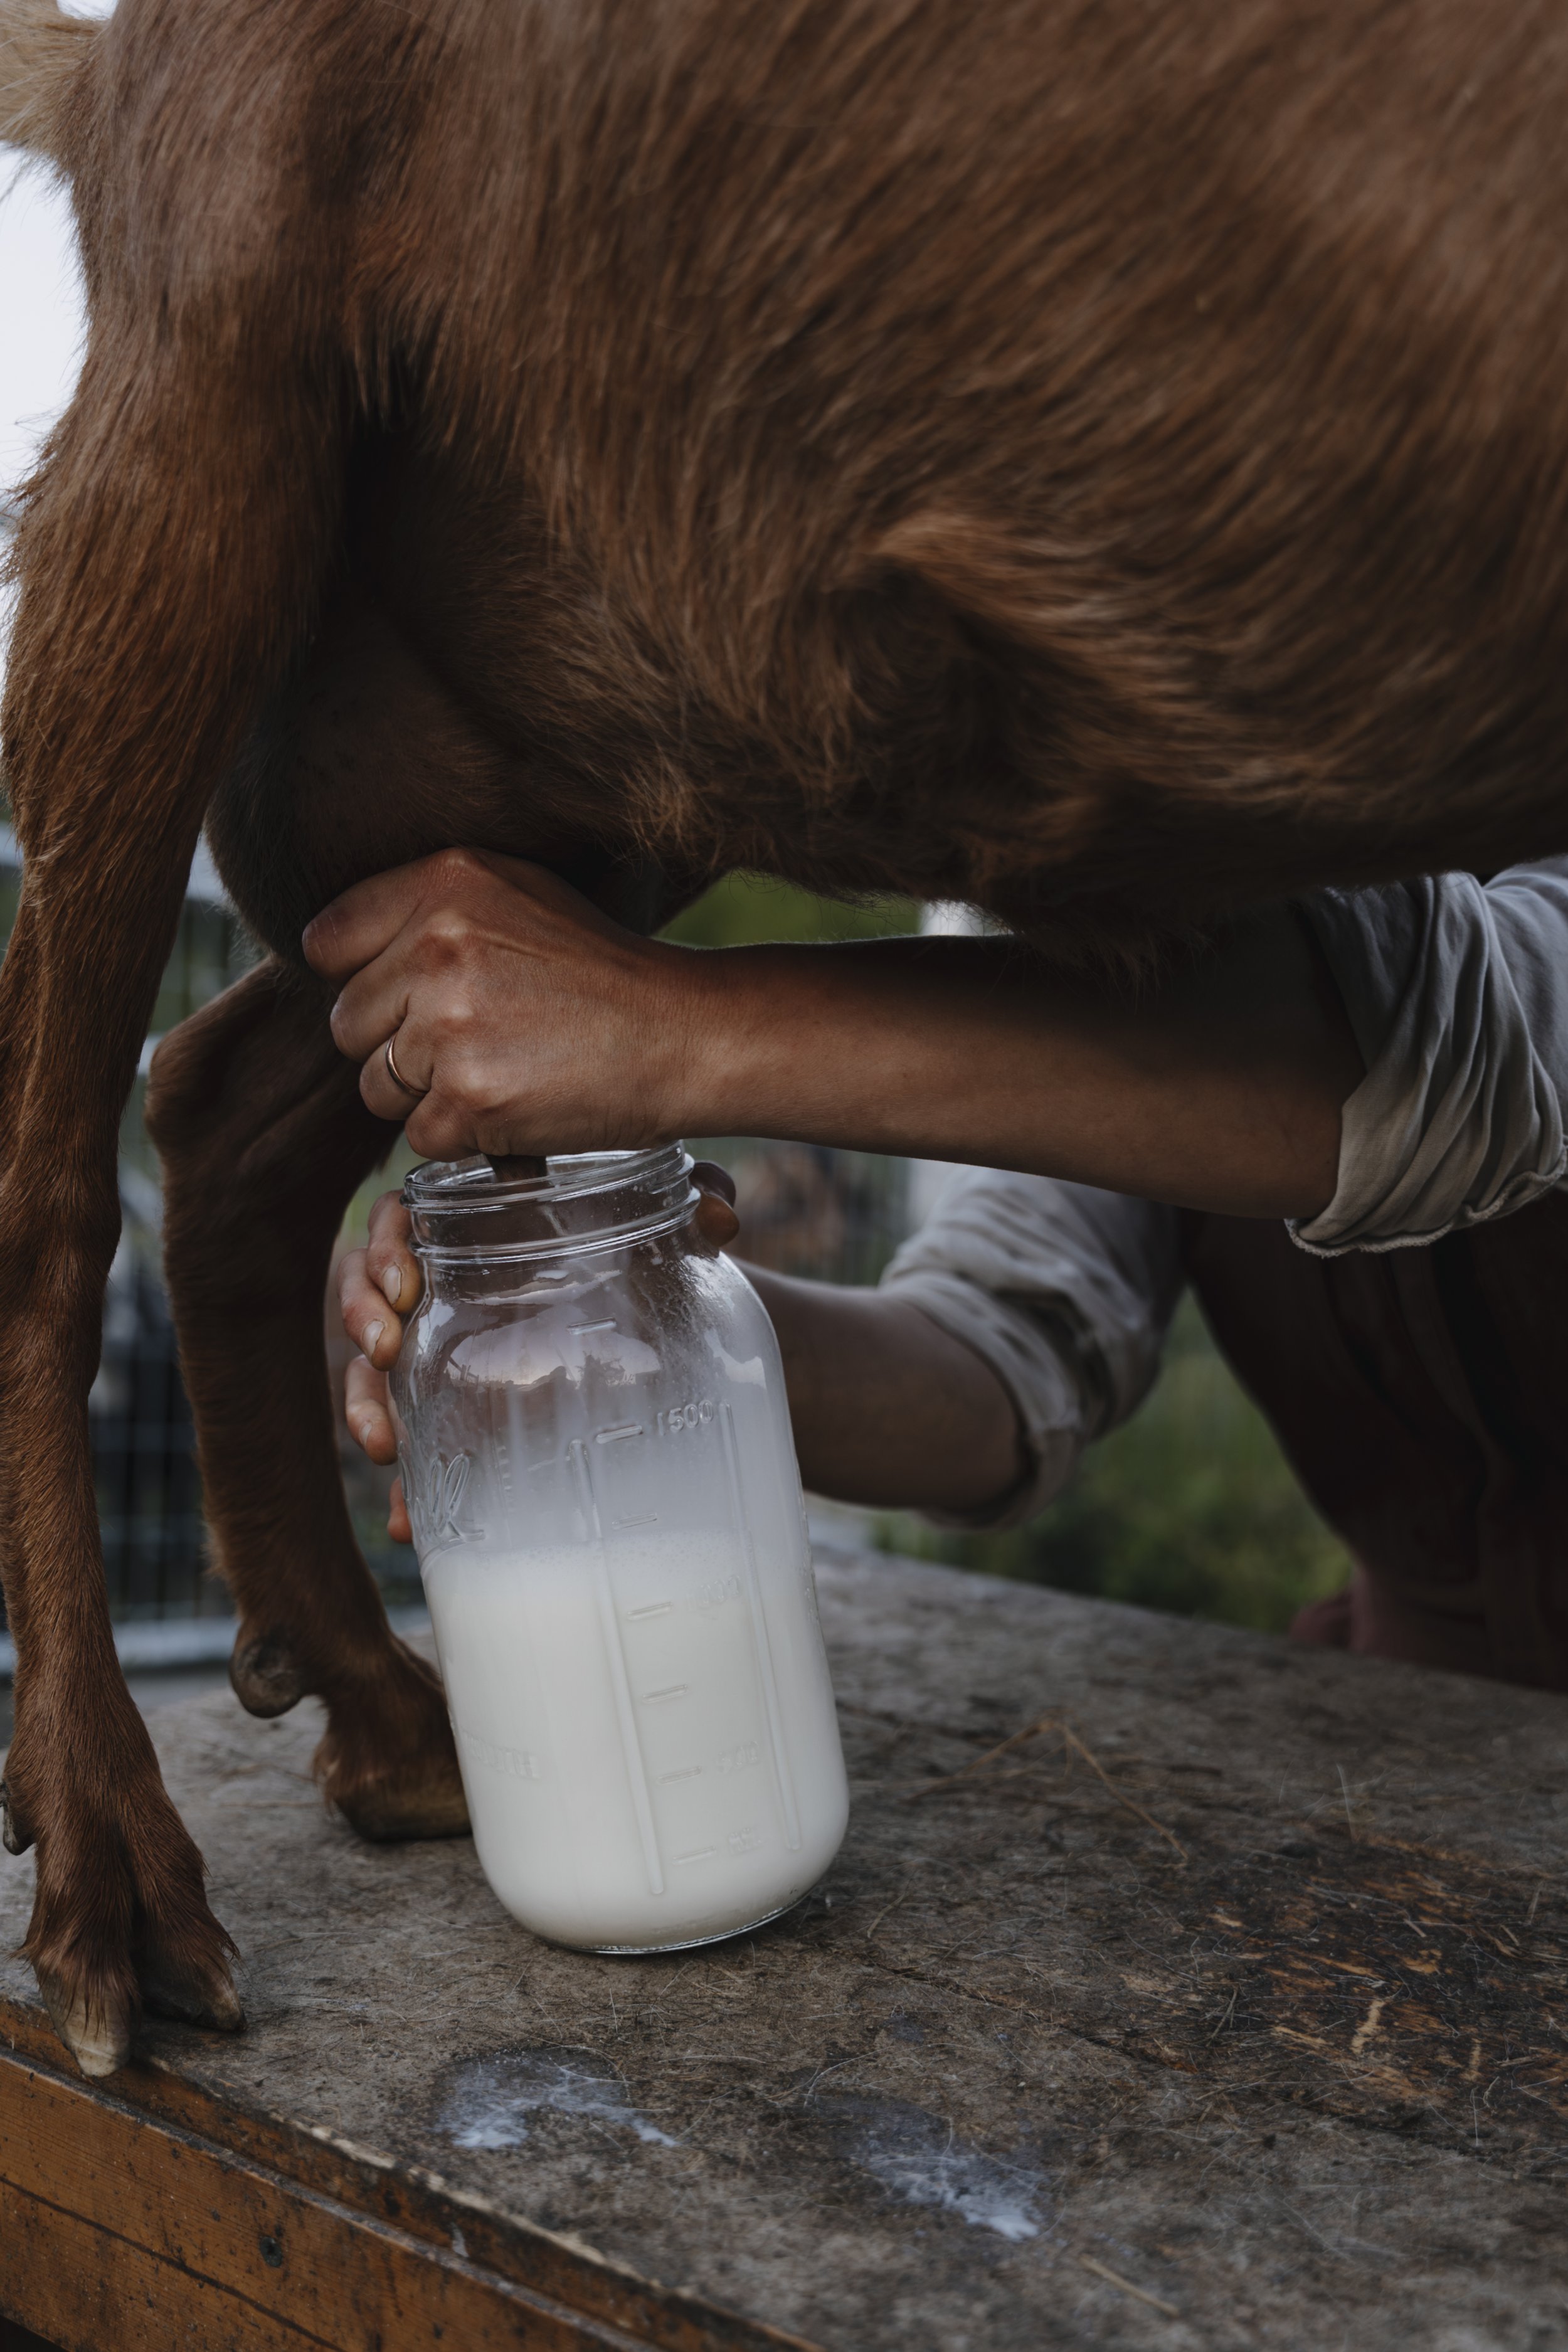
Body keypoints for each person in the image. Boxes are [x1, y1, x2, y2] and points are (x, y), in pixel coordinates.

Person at [309, 851, 1568, 1691]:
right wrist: (631, 1309)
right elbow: (1004, 1359)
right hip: (1410, 1728)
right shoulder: (1137, 836)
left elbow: (1476, 1053)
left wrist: (668, 1023)